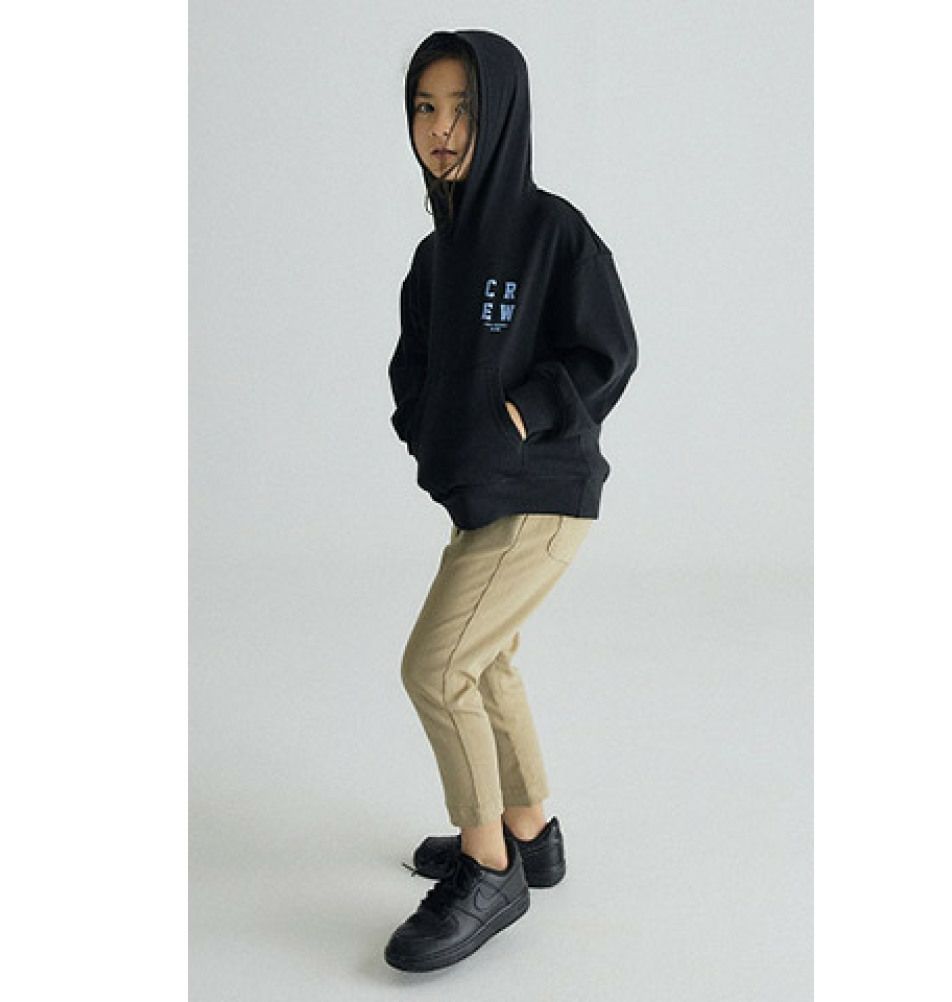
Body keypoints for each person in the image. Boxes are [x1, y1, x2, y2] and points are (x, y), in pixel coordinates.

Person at [383, 29, 639, 973]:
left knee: (435, 667)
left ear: (502, 117)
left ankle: (489, 867)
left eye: (463, 108)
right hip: (481, 499)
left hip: (544, 495)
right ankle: (530, 829)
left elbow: (608, 350)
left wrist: (520, 415)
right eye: (425, 107)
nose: (442, 129)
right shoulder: (434, 256)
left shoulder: (552, 231)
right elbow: (413, 370)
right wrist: (430, 432)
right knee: (485, 663)